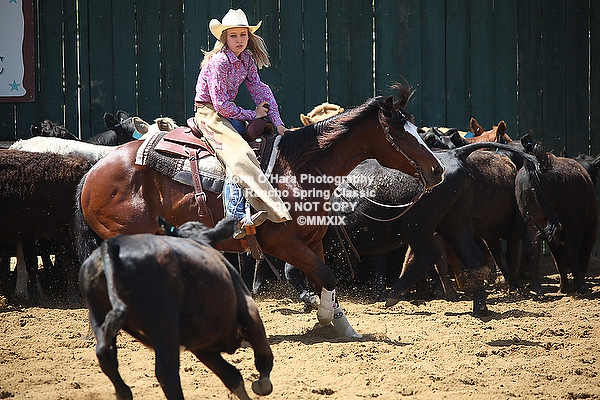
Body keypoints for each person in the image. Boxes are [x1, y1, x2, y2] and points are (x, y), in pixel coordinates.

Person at [194, 9, 292, 239]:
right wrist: (252, 114)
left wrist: (278, 123)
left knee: (264, 143)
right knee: (237, 155)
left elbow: (260, 90)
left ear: (249, 36)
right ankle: (235, 218)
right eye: (233, 36)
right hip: (209, 113)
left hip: (229, 113)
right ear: (225, 38)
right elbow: (220, 105)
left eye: (243, 35)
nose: (239, 40)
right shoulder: (219, 62)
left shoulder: (246, 59)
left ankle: (259, 205)